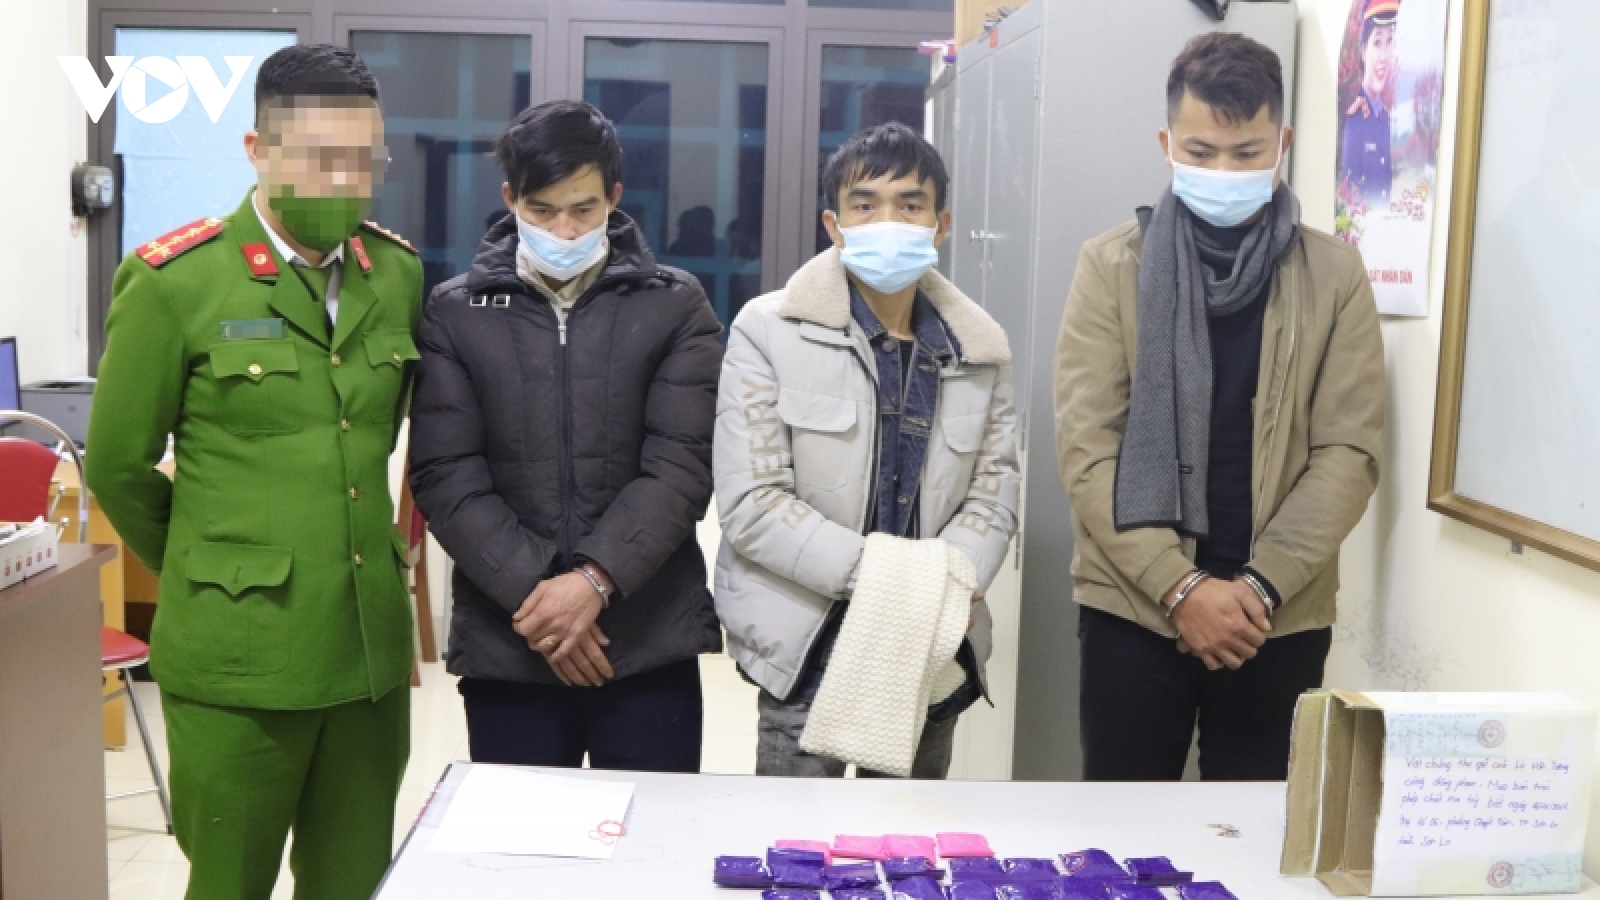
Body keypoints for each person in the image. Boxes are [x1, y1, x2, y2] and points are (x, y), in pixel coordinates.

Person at [86, 44, 422, 899]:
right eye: (321, 157)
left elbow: (372, 438)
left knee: (353, 883)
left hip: (365, 656)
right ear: (258, 150)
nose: (344, 181)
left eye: (364, 160)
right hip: (237, 662)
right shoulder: (177, 281)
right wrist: (211, 572)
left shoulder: (396, 275)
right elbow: (119, 467)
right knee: (229, 885)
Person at [1054, 33, 1384, 782]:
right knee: (1126, 826)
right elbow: (1089, 449)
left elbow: (1349, 451)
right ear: (1167, 144)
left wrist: (1256, 589)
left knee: (1258, 827)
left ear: (1282, 145)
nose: (1224, 172)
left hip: (1278, 614)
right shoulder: (1111, 266)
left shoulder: (1335, 275)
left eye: (1247, 153)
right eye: (1201, 153)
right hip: (1134, 606)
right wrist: (1181, 588)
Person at [408, 100, 723, 772]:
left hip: (646, 639)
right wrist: (542, 600)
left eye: (583, 209)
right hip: (512, 644)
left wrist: (593, 583)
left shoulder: (674, 304)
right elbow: (446, 472)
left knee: (651, 835)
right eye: (542, 209)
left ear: (614, 197)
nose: (564, 229)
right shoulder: (457, 312)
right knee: (519, 839)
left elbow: (681, 465)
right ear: (510, 199)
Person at [715, 123, 1020, 778]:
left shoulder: (980, 349)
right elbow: (753, 502)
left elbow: (993, 495)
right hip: (809, 640)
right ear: (834, 224)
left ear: (940, 225)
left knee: (903, 836)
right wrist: (895, 580)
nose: (888, 222)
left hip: (928, 642)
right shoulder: (767, 329)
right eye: (865, 205)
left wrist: (946, 582)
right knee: (799, 837)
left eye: (910, 205)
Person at [1341, 0, 1399, 206]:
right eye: (1377, 42)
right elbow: (1349, 198)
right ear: (1364, 51)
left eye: (1389, 41)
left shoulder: (1384, 119)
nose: (1384, 56)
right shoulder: (1354, 117)